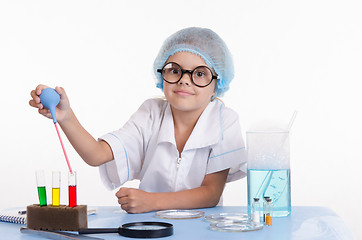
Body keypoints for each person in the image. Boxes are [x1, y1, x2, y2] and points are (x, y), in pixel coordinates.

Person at [29, 27, 246, 214]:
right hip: (149, 225)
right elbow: (96, 155)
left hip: (201, 227)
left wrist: (151, 201)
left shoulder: (224, 120)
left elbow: (210, 194)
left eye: (199, 74)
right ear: (161, 75)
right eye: (175, 70)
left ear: (218, 83)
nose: (184, 81)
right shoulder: (150, 113)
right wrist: (66, 117)